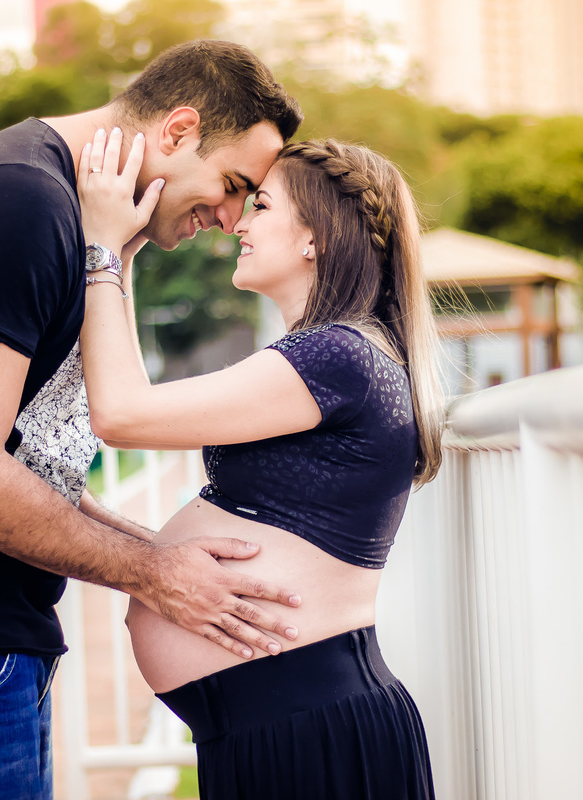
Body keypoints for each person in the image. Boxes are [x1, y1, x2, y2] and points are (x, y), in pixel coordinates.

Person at [0, 41, 304, 799]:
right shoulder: (18, 205)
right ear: (177, 130)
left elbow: (29, 465)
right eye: (233, 186)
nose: (231, 217)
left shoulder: (73, 217)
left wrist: (166, 556)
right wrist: (154, 574)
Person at [77, 130, 444, 798]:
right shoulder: (334, 354)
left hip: (306, 733)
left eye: (263, 206)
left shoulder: (335, 358)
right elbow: (132, 404)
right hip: (280, 727)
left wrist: (102, 246)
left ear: (316, 238)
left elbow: (122, 414)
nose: (239, 224)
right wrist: (123, 256)